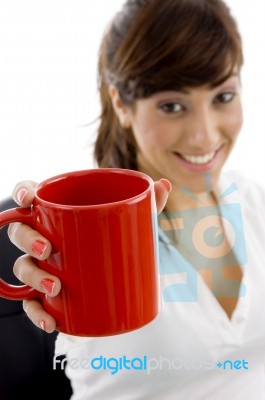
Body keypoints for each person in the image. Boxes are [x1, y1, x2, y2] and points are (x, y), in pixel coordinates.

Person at [2, 0, 265, 398]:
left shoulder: (254, 203)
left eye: (223, 97)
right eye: (172, 106)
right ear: (122, 104)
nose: (205, 136)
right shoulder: (86, 237)